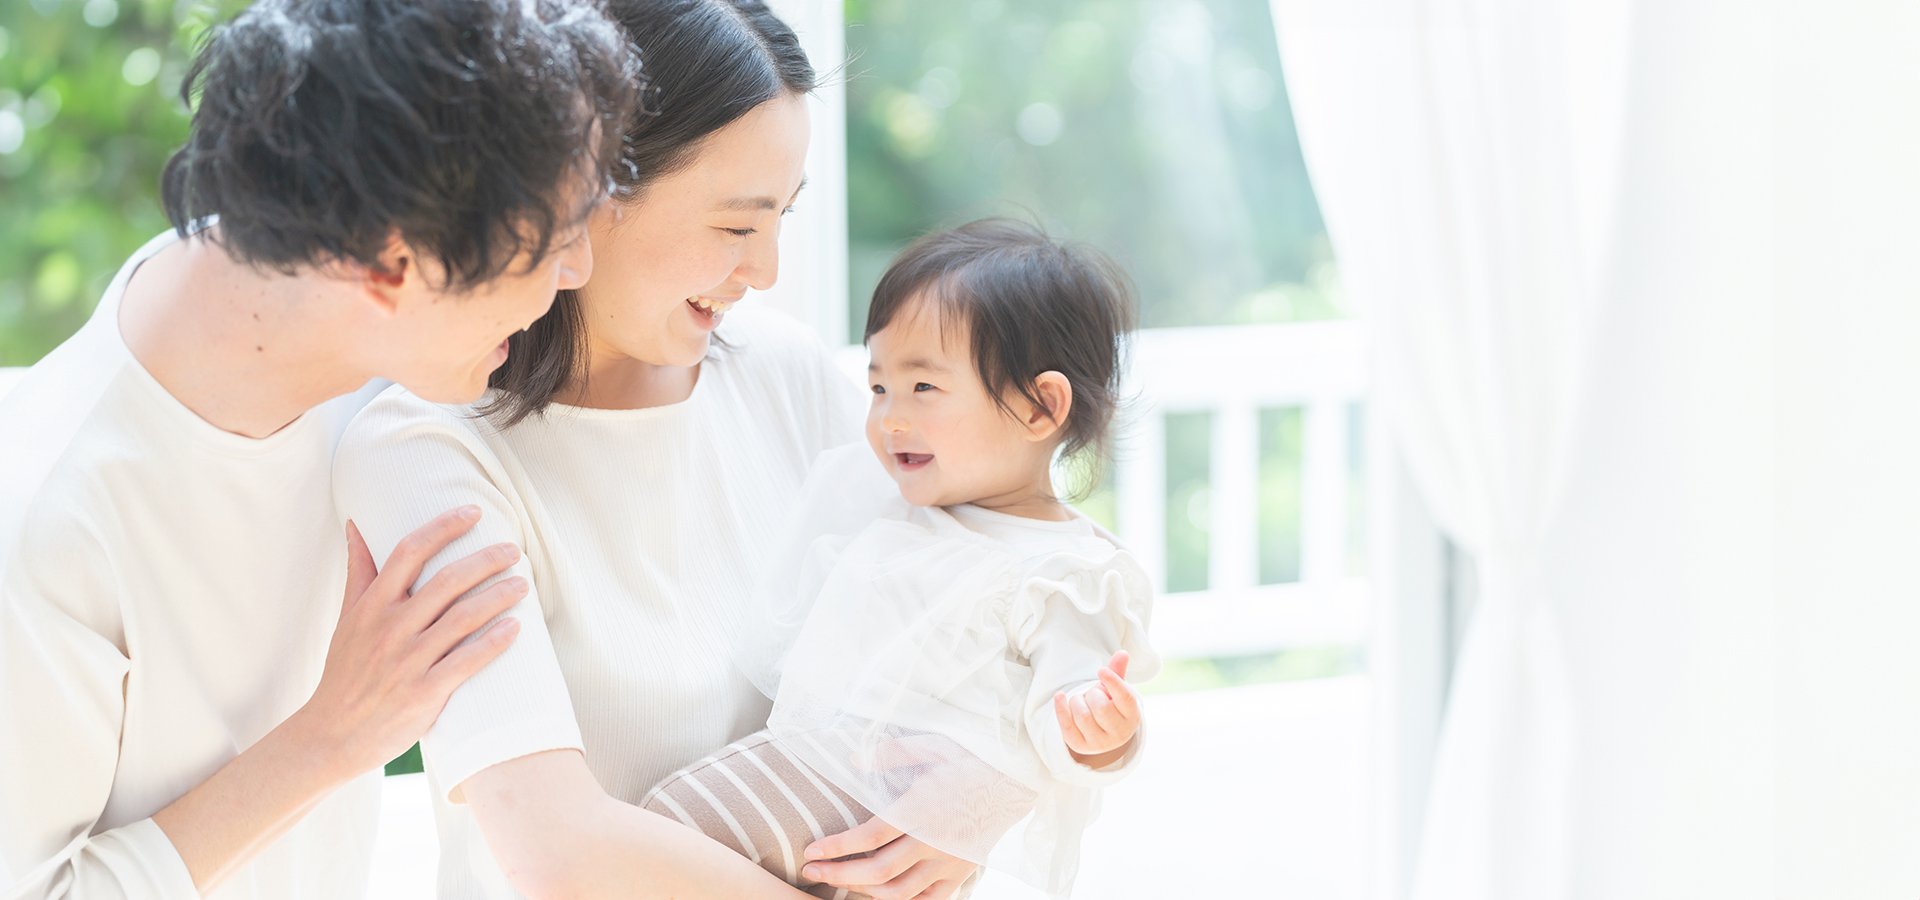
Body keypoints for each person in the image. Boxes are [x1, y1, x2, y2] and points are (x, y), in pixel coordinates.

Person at [332, 2, 985, 898]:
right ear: (588, 192)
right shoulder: (427, 450)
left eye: (783, 217)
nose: (766, 270)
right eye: (734, 225)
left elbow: (968, 621)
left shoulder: (784, 375)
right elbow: (557, 852)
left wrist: (973, 805)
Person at [0, 1, 637, 897]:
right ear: (389, 266)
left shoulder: (337, 333)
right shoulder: (48, 518)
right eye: (557, 237)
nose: (576, 272)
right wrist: (334, 735)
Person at [642, 218, 1159, 900]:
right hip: (834, 772)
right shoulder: (907, 497)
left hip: (876, 796)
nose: (888, 418)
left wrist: (1102, 731)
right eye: (879, 386)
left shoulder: (1065, 575)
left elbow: (1067, 715)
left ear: (1041, 406)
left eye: (923, 389)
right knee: (653, 842)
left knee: (659, 837)